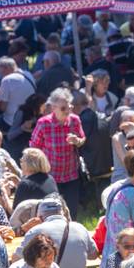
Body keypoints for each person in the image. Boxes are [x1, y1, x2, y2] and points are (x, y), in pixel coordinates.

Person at [20, 197, 97, 268]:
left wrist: (23, 230)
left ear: (39, 217)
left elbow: (16, 260)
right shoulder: (80, 228)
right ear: (63, 213)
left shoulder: (34, 231)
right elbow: (94, 255)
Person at [30, 88, 86, 218]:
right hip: (51, 175)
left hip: (71, 174)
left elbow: (82, 139)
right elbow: (34, 148)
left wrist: (77, 140)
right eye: (63, 108)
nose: (67, 111)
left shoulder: (75, 120)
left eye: (69, 107)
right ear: (53, 108)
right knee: (51, 213)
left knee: (71, 212)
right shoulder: (44, 123)